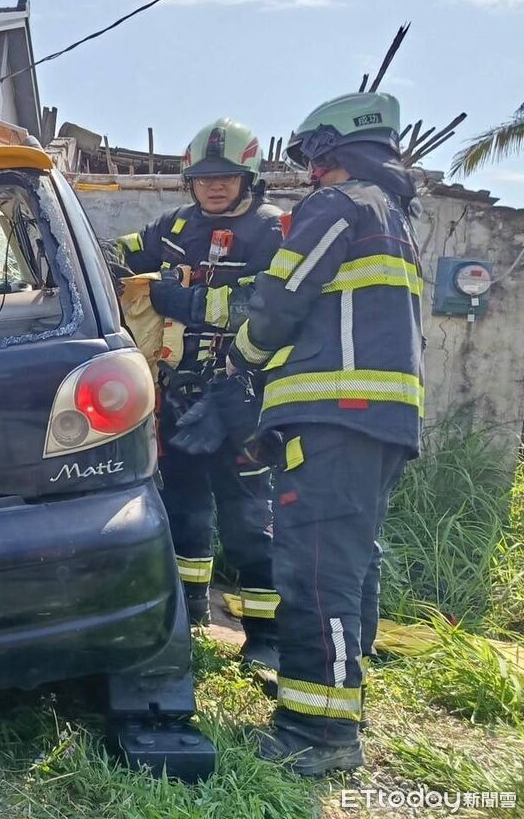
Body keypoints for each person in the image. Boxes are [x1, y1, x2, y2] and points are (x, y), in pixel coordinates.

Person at [227, 92, 423, 776]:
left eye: (311, 158)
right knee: (351, 559)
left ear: (332, 153)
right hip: (380, 423)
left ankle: (318, 731)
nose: (307, 174)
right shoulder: (392, 217)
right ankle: (339, 695)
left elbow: (281, 301)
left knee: (315, 569)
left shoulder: (340, 207)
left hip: (335, 417)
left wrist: (241, 357)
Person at [112, 118, 283, 671]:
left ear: (248, 177)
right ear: (190, 180)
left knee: (249, 517)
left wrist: (175, 298)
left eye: (227, 176)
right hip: (179, 393)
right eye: (205, 176)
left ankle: (266, 637)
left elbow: (267, 303)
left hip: (243, 395)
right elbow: (116, 257)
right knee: (183, 509)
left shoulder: (275, 229)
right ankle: (189, 615)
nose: (215, 185)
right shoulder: (171, 227)